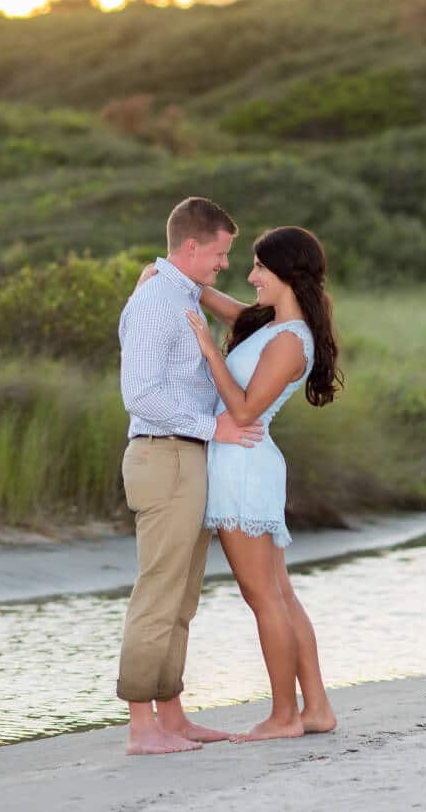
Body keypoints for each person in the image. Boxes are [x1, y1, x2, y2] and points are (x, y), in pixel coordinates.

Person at [139, 225, 342, 742]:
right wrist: (166, 273)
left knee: (264, 598)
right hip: (244, 464)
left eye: (259, 269)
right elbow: (214, 299)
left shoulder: (292, 342)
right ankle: (315, 708)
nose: (250, 277)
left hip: (243, 466)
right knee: (281, 594)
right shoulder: (270, 324)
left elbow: (245, 409)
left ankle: (283, 717)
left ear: (287, 276)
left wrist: (209, 350)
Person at [116, 196, 266, 756]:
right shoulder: (157, 300)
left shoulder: (178, 292)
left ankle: (172, 716)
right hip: (165, 455)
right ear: (191, 246)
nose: (224, 264)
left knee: (181, 597)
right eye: (221, 254)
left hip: (186, 456)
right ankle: (140, 728)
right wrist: (212, 427)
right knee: (159, 592)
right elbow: (142, 395)